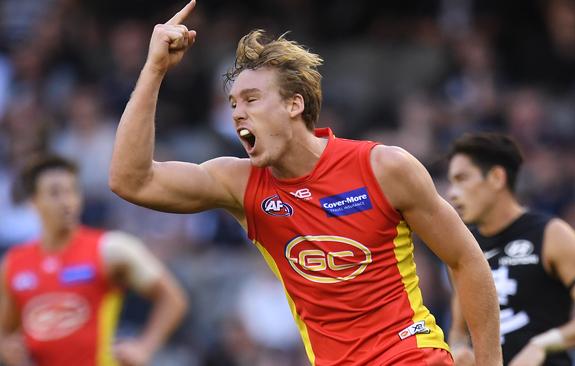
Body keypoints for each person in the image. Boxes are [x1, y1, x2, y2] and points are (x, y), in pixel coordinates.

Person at [109, 1, 501, 364]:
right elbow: (131, 180)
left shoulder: (384, 167)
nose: (237, 114)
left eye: (251, 100)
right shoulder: (239, 184)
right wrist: (154, 69)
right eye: (232, 104)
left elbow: (466, 260)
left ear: (294, 104)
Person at [445, 133, 575, 366]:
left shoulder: (551, 234)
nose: (452, 192)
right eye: (451, 181)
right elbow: (460, 331)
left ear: (497, 178)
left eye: (462, 179)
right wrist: (459, 350)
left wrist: (543, 344)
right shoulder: (464, 250)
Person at [0, 155, 188, 366]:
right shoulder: (13, 263)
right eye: (55, 193)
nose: (66, 201)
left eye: (71, 191)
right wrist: (8, 350)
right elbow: (5, 333)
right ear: (33, 203)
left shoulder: (111, 248)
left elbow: (173, 298)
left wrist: (144, 346)